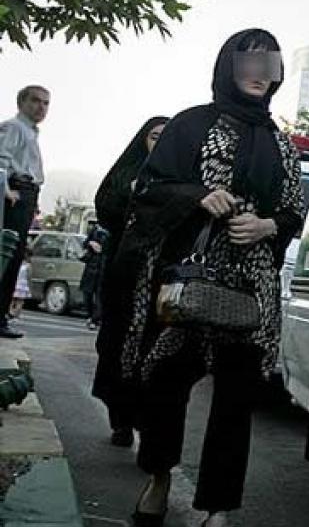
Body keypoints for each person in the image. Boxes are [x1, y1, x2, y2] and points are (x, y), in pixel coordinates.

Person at [115, 29, 304, 527]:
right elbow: (148, 190)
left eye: (269, 66)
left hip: (251, 287)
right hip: (190, 277)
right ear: (228, 67)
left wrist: (266, 226)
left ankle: (218, 508)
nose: (260, 75)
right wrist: (197, 196)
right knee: (166, 383)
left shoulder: (281, 143)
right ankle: (158, 479)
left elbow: (292, 212)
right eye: (249, 63)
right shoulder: (190, 124)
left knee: (236, 399)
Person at [92, 116, 170, 447]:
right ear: (143, 140)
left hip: (160, 279)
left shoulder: (181, 177)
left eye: (167, 138)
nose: (160, 143)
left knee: (155, 350)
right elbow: (106, 207)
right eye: (154, 136)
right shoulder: (127, 175)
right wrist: (134, 195)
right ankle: (120, 419)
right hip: (124, 273)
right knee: (116, 344)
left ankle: (146, 423)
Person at [0, 85, 50, 339]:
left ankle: (1, 315)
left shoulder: (30, 132)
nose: (41, 107)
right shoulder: (14, 128)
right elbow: (1, 160)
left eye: (46, 103)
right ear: (21, 102)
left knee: (14, 255)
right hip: (16, 192)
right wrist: (7, 190)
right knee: (7, 255)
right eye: (35, 101)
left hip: (26, 193)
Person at [80, 221, 108, 330]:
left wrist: (102, 249)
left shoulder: (112, 230)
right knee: (87, 293)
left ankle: (95, 319)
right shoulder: (95, 229)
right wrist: (91, 243)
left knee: (99, 296)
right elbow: (85, 243)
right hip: (91, 266)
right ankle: (90, 316)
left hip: (103, 267)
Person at [9, 247, 32, 319]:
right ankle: (17, 314)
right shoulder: (28, 265)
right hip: (23, 284)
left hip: (16, 282)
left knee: (12, 299)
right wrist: (29, 287)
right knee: (20, 301)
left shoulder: (18, 263)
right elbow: (29, 277)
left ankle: (10, 311)